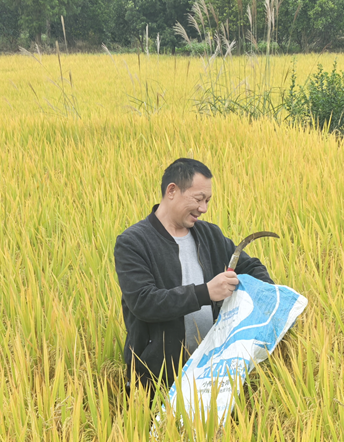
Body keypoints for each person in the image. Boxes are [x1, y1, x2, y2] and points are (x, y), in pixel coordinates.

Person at [114, 158, 274, 394]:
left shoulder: (210, 234)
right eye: (198, 199)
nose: (204, 209)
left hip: (213, 373)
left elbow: (249, 266)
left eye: (208, 201)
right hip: (157, 377)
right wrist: (206, 292)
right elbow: (143, 302)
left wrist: (271, 294)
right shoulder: (133, 242)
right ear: (172, 191)